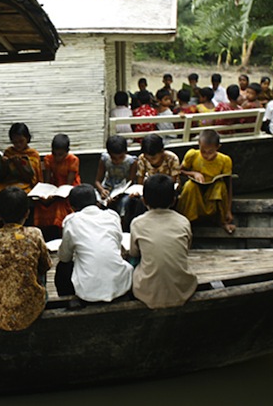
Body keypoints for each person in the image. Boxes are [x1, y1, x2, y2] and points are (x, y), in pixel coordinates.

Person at [0, 186, 52, 331]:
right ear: (27, 213)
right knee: (39, 268)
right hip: (32, 309)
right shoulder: (35, 234)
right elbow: (46, 265)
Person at [126, 174, 197, 309]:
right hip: (183, 291)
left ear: (144, 200)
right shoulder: (183, 222)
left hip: (146, 293)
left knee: (133, 261)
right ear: (174, 200)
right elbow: (186, 249)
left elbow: (134, 253)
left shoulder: (138, 223)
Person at [55, 184, 133, 302]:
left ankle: (66, 301)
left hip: (87, 291)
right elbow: (117, 245)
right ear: (97, 202)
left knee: (62, 267)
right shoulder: (112, 216)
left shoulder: (71, 221)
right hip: (120, 285)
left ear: (72, 208)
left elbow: (64, 257)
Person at [176, 129, 235, 233]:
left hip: (212, 193)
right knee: (190, 185)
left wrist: (228, 210)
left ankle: (223, 221)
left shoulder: (225, 160)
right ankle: (186, 222)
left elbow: (228, 185)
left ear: (217, 147)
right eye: (203, 151)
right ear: (199, 144)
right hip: (196, 191)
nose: (207, 155)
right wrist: (193, 173)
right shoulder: (192, 155)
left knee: (220, 186)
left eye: (210, 152)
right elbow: (180, 171)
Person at [0, 123, 42, 215]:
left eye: (21, 141)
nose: (18, 145)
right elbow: (3, 176)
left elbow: (31, 179)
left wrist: (19, 165)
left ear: (27, 138)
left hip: (25, 185)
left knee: (13, 198)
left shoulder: (33, 154)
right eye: (15, 142)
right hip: (8, 183)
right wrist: (5, 164)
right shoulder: (9, 152)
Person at [34, 134, 81, 235]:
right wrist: (47, 193)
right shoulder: (48, 159)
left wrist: (57, 195)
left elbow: (68, 184)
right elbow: (47, 180)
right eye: (54, 154)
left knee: (60, 204)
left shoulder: (73, 160)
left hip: (69, 188)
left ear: (67, 152)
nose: (57, 157)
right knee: (41, 203)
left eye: (60, 155)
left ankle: (60, 230)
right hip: (54, 186)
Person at [94, 135, 136, 215]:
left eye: (121, 157)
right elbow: (97, 181)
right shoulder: (104, 159)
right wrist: (102, 190)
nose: (117, 161)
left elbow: (131, 182)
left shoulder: (131, 162)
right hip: (107, 188)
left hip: (123, 190)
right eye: (113, 158)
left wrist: (118, 194)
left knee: (124, 202)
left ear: (126, 152)